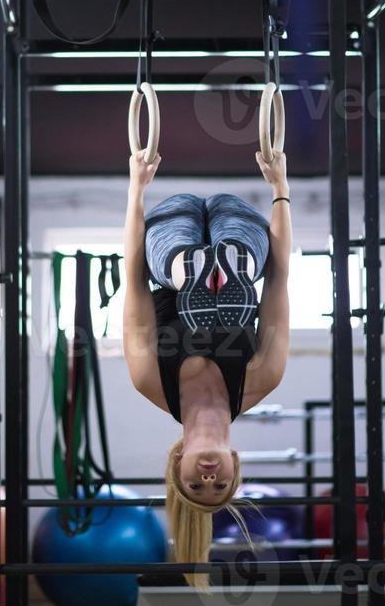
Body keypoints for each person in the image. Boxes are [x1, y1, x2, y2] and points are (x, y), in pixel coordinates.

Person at [123, 148, 291, 588]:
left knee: (168, 261)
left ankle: (191, 277)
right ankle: (221, 274)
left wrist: (136, 187)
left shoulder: (150, 382)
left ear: (177, 462)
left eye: (195, 487)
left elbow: (133, 280)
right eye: (221, 487)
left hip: (168, 243)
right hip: (242, 239)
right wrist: (280, 188)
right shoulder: (260, 379)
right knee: (248, 259)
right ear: (236, 464)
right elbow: (280, 280)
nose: (209, 480)